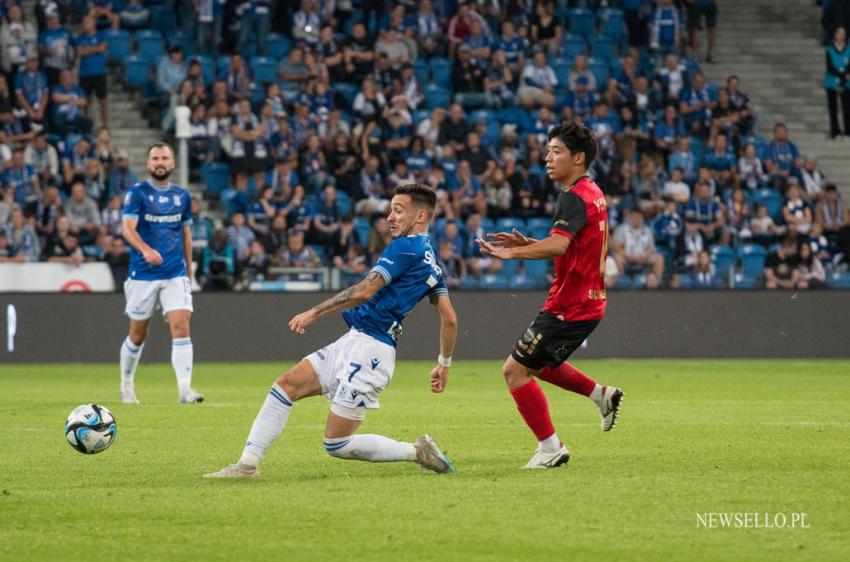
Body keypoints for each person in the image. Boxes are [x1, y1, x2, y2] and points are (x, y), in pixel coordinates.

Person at [205, 183, 458, 479]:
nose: (390, 216)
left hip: (371, 350)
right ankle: (247, 466)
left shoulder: (406, 246)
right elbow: (449, 318)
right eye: (390, 209)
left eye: (398, 210)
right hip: (356, 340)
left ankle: (417, 452)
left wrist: (314, 312)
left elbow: (364, 291)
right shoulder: (433, 263)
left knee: (336, 443)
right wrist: (444, 363)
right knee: (285, 385)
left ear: (421, 217)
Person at [476, 122, 623, 469]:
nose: (548, 158)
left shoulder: (573, 196)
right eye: (547, 151)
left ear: (579, 157)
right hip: (586, 302)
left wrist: (513, 255)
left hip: (569, 306)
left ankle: (550, 447)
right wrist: (528, 243)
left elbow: (559, 245)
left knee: (514, 371)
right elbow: (572, 247)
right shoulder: (592, 191)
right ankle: (601, 395)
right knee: (539, 364)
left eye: (556, 151)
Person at [119, 142, 203, 405]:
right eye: (155, 158)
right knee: (137, 334)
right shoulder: (137, 194)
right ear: (148, 163)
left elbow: (186, 234)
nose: (159, 162)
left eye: (164, 158)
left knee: (181, 326)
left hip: (174, 273)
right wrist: (145, 249)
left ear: (173, 163)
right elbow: (127, 229)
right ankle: (126, 383)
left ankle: (185, 389)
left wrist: (189, 271)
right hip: (143, 273)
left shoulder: (183, 195)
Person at [824, 26, 850, 138]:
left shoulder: (849, 49)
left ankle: (848, 129)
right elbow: (830, 67)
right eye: (839, 33)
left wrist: (844, 80)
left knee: (847, 107)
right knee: (833, 108)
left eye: (843, 33)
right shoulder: (829, 50)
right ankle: (835, 130)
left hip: (847, 82)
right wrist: (842, 76)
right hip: (832, 82)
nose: (841, 36)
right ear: (835, 35)